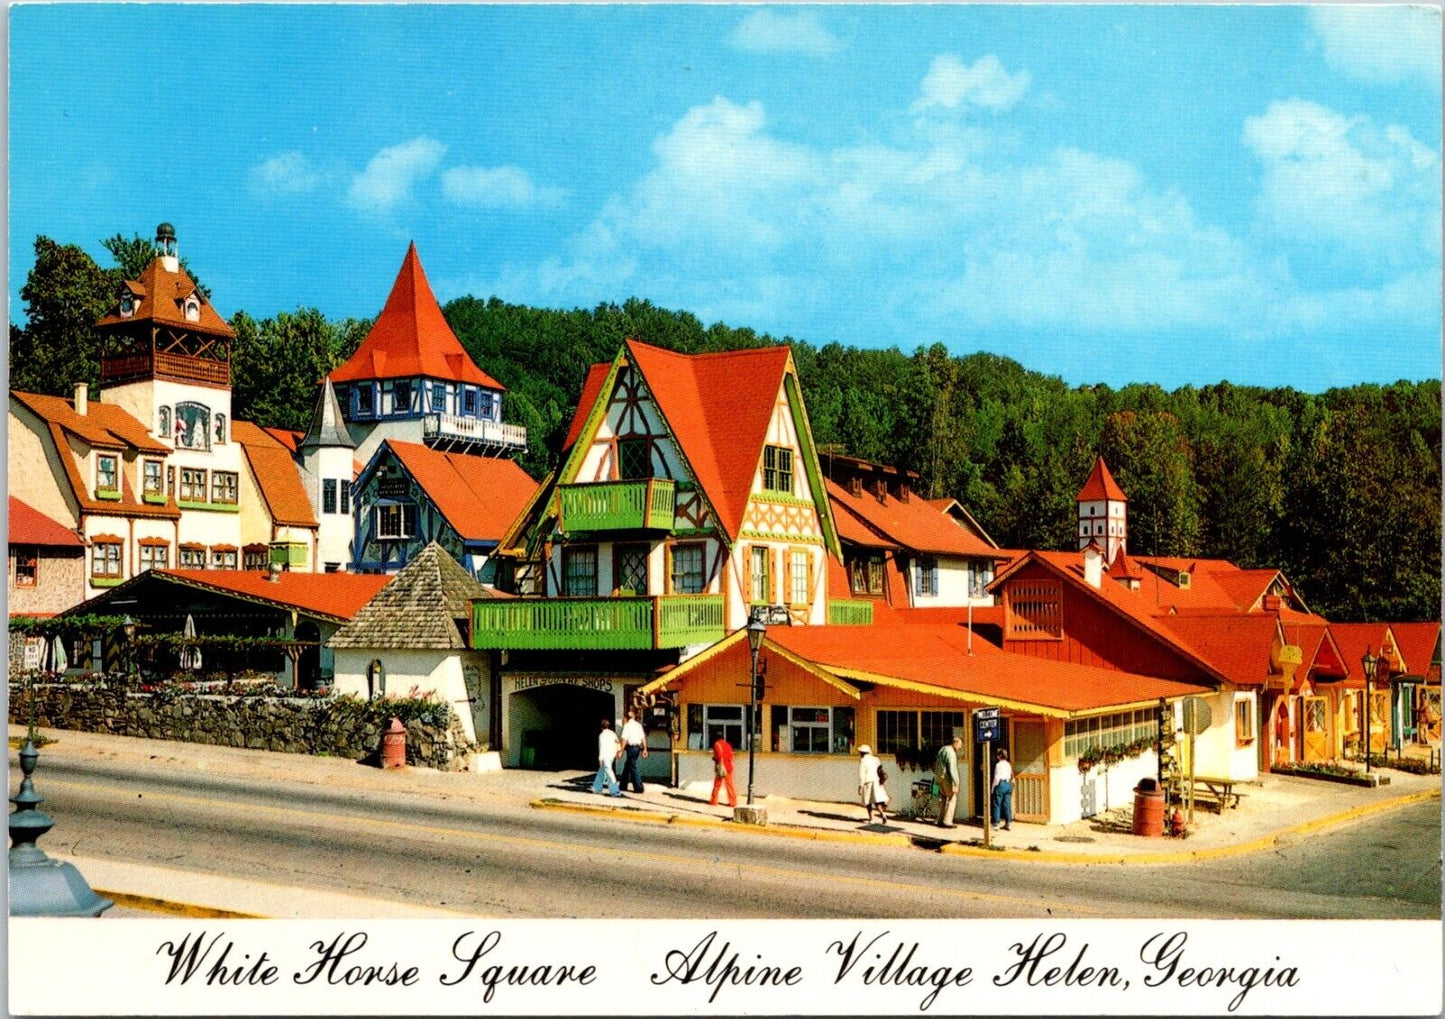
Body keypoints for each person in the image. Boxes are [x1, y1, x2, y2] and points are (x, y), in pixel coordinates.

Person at [934, 736, 962, 829]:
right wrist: (956, 783)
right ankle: (947, 821)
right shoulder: (951, 752)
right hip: (947, 777)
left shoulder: (943, 749)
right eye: (959, 745)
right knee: (952, 798)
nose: (960, 747)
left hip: (939, 777)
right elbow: (952, 768)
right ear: (955, 742)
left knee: (943, 799)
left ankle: (940, 820)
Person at [857, 745, 888, 824]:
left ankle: (871, 819)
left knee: (868, 802)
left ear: (862, 753)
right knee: (877, 801)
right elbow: (880, 770)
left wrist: (860, 786)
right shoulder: (876, 759)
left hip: (868, 782)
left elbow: (862, 775)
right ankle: (882, 814)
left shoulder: (863, 761)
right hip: (876, 781)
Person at [618, 710, 647, 793]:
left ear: (626, 718)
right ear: (634, 716)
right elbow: (643, 737)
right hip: (637, 747)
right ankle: (623, 785)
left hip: (631, 747)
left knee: (633, 766)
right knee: (628, 765)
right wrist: (645, 748)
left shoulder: (627, 726)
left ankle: (639, 787)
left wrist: (621, 750)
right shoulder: (638, 726)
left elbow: (624, 739)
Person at [592, 718, 622, 797]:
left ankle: (614, 791)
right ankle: (596, 788)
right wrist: (619, 751)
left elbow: (602, 747)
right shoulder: (613, 733)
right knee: (603, 771)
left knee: (608, 772)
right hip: (612, 755)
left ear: (601, 727)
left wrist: (600, 759)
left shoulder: (602, 735)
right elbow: (617, 742)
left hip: (605, 756)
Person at [709, 735, 737, 807]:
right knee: (730, 785)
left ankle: (713, 800)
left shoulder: (717, 744)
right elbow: (731, 755)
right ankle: (733, 802)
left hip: (722, 767)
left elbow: (719, 755)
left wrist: (714, 758)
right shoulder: (728, 745)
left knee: (717, 784)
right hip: (729, 767)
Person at [991, 748, 1013, 830]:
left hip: (1000, 784)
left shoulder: (998, 765)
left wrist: (993, 787)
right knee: (1007, 804)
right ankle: (1008, 823)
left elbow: (996, 777)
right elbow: (1010, 775)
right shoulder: (1008, 764)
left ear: (1000, 756)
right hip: (1008, 784)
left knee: (997, 804)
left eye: (998, 755)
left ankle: (996, 823)